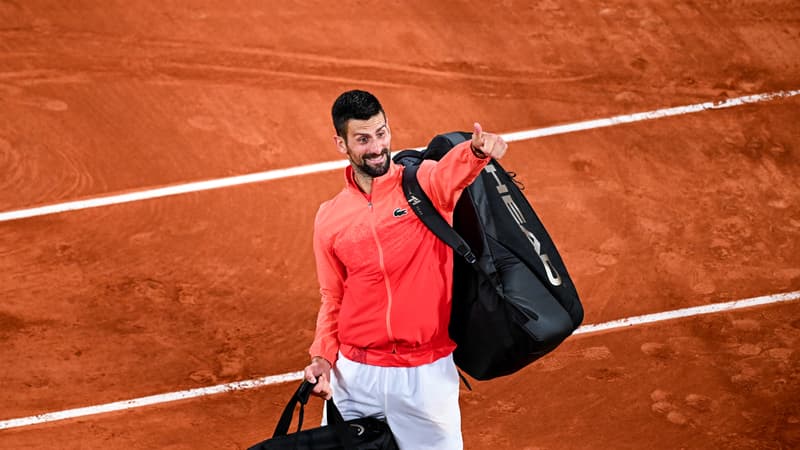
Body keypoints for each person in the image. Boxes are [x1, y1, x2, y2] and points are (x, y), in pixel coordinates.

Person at [303, 89, 508, 449]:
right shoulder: (329, 218)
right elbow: (332, 297)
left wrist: (477, 151)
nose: (377, 147)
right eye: (363, 139)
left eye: (381, 133)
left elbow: (452, 171)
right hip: (355, 377)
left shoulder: (424, 186)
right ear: (341, 144)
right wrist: (322, 358)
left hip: (424, 378)